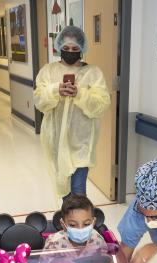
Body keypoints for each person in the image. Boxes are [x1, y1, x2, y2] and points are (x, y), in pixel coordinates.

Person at [33, 26, 110, 199]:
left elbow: (102, 104)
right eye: (66, 48)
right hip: (55, 139)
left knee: (79, 191)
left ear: (82, 49)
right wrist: (55, 91)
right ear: (59, 48)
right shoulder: (49, 71)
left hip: (81, 141)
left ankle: (79, 223)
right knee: (64, 191)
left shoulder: (93, 73)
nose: (70, 52)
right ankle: (69, 222)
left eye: (75, 49)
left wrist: (80, 93)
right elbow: (39, 101)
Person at [42, 195, 108, 263]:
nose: (80, 229)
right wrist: (58, 262)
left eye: (86, 224)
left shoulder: (98, 240)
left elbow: (105, 261)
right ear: (63, 224)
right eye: (73, 225)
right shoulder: (53, 243)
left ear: (93, 222)